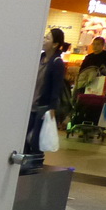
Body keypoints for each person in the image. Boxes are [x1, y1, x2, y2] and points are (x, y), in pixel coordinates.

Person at [24, 28, 69, 156]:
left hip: (43, 106)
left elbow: (56, 87)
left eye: (48, 38)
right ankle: (25, 164)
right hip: (31, 105)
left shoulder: (57, 63)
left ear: (55, 44)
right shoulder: (40, 58)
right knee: (24, 139)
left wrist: (52, 108)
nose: (44, 40)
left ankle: (36, 163)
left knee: (36, 141)